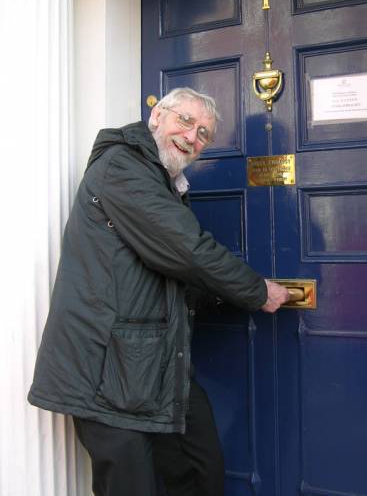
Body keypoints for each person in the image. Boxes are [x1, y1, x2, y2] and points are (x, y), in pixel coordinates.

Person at [28, 87, 290, 496]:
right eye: (185, 120)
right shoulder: (122, 168)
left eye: (204, 133)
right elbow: (187, 250)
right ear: (156, 118)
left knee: (201, 472)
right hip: (107, 369)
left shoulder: (163, 182)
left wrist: (220, 294)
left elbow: (169, 271)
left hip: (156, 364)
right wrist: (257, 291)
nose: (192, 136)